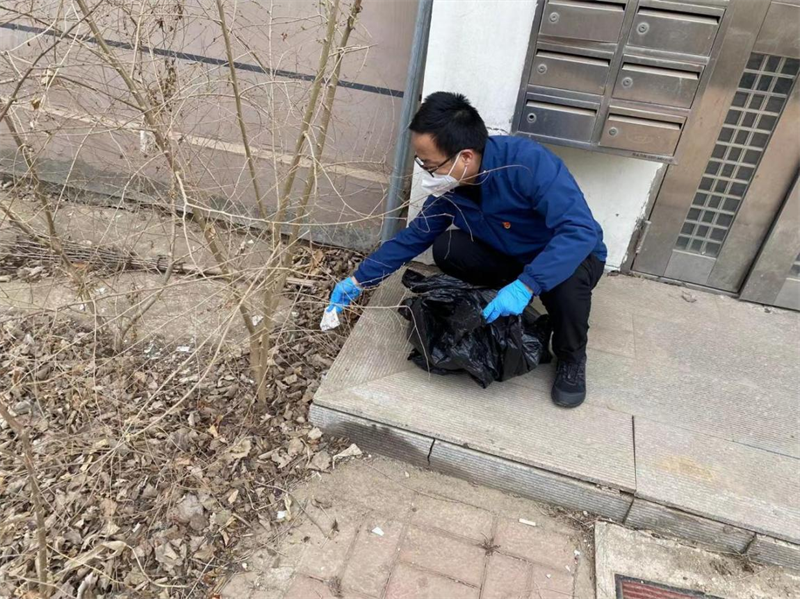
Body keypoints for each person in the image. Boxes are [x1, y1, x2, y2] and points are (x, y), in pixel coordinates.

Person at [325, 92, 606, 408]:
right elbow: (414, 237)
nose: (428, 172)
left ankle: (571, 356)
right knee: (448, 247)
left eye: (431, 164)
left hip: (567, 254)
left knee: (567, 283)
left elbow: (579, 231)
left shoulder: (527, 164)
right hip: (512, 254)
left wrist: (528, 284)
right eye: (422, 162)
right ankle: (512, 294)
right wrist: (359, 280)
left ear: (465, 157)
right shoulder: (453, 188)